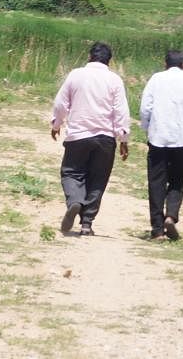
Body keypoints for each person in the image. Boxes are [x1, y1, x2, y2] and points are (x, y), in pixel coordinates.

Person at [50, 41, 130, 236]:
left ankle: (75, 202)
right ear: (109, 61)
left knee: (71, 172)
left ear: (89, 56)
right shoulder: (115, 80)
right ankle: (87, 223)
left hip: (79, 135)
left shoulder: (76, 75)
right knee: (98, 179)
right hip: (105, 138)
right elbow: (121, 111)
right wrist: (123, 138)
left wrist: (56, 124)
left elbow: (61, 103)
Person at [138, 49, 183, 240]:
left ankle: (157, 229)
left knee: (156, 183)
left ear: (165, 64)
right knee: (177, 179)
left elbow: (146, 107)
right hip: (182, 139)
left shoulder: (156, 79)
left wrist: (147, 127)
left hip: (158, 139)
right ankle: (171, 215)